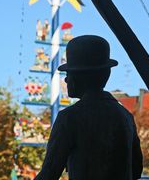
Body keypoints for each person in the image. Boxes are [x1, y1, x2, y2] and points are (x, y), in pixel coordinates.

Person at [34, 35, 143, 180]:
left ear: (81, 77)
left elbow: (49, 173)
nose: (66, 79)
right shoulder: (125, 116)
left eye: (69, 73)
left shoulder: (70, 118)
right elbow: (136, 170)